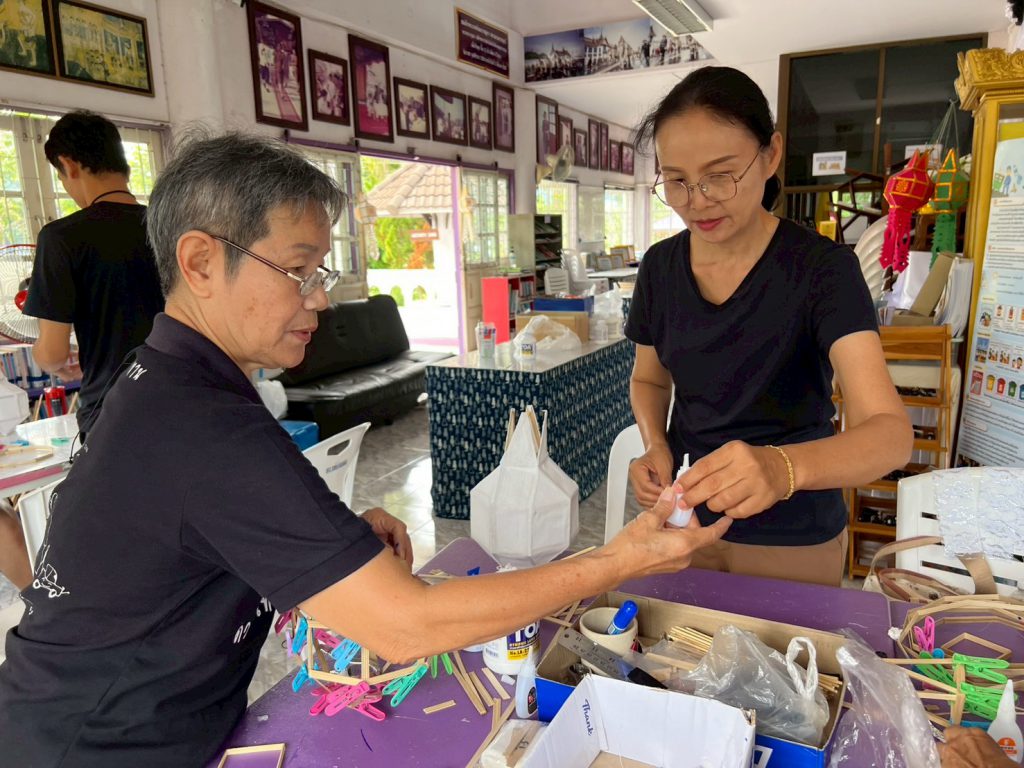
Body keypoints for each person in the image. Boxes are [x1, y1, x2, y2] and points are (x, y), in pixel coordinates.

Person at [0, 131, 730, 767]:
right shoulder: (200, 424)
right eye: (299, 270)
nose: (319, 297)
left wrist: (332, 539)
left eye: (320, 272)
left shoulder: (168, 379)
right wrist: (618, 560)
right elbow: (407, 625)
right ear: (199, 263)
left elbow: (200, 524)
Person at [625, 66, 912, 586]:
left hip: (792, 537)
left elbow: (890, 435)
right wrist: (656, 444)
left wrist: (782, 469)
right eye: (677, 181)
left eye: (720, 174)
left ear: (771, 154)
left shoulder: (822, 270)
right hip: (683, 523)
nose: (697, 201)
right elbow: (649, 378)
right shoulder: (660, 268)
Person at [24, 109, 164, 439]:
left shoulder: (62, 238)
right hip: (186, 401)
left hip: (116, 415)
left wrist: (46, 357)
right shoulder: (169, 227)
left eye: (61, 177)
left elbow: (53, 354)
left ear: (68, 164)